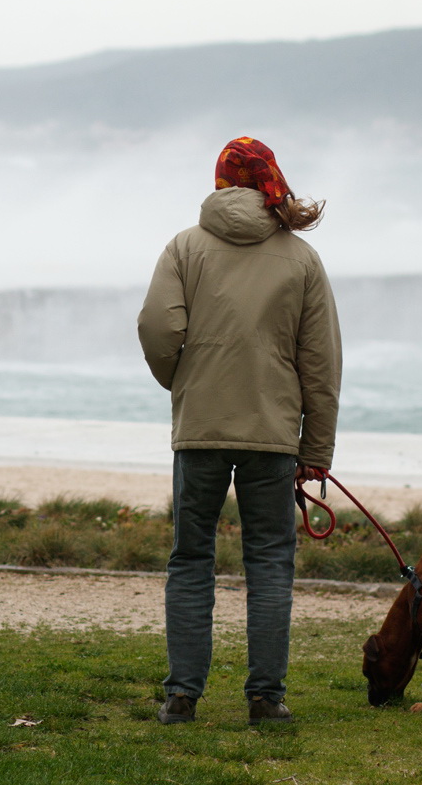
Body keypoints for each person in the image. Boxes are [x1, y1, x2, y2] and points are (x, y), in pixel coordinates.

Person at [137, 137, 342, 725]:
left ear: (223, 182)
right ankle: (266, 699)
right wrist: (317, 450)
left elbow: (157, 329)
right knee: (271, 563)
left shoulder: (184, 247)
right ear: (269, 181)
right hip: (273, 435)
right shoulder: (301, 259)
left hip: (200, 426)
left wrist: (184, 379)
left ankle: (182, 697)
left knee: (190, 559)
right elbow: (321, 363)